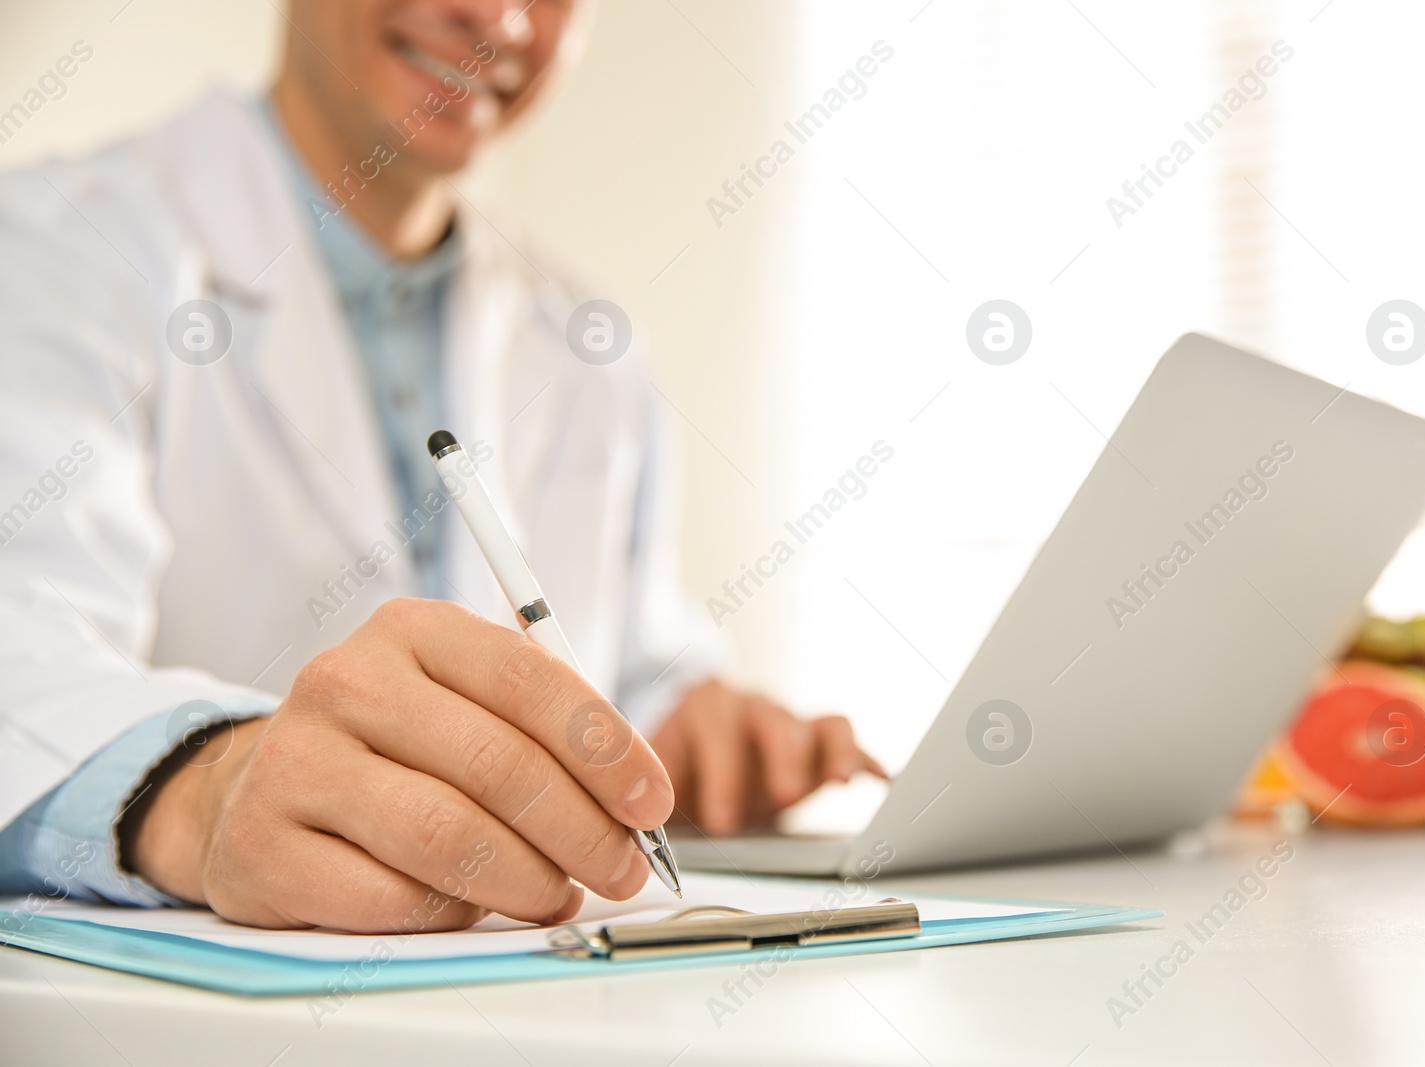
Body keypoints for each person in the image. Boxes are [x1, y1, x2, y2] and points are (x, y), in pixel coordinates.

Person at [0, 0, 882, 934]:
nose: (496, 15)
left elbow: (627, 659)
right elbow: (21, 667)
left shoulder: (586, 342)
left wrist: (694, 730)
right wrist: (206, 797)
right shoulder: (52, 252)